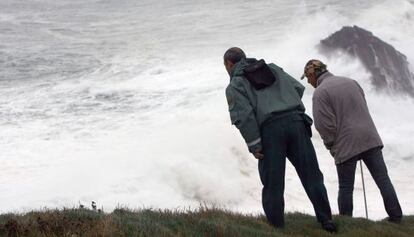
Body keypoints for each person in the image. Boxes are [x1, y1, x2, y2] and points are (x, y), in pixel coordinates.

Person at [223, 47, 336, 232]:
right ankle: (327, 221)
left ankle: (276, 228)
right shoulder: (272, 68)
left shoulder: (236, 84)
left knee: (273, 183)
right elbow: (298, 87)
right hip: (297, 123)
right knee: (312, 175)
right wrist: (285, 104)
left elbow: (244, 117)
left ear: (229, 64)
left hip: (271, 130)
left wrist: (254, 144)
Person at [301, 59, 403, 222]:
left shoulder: (320, 93)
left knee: (346, 186)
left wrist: (330, 145)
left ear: (313, 74)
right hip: (370, 137)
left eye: (308, 77)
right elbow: (361, 105)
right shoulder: (351, 82)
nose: (308, 81)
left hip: (345, 144)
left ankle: (346, 221)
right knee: (383, 180)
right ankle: (396, 217)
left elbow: (324, 125)